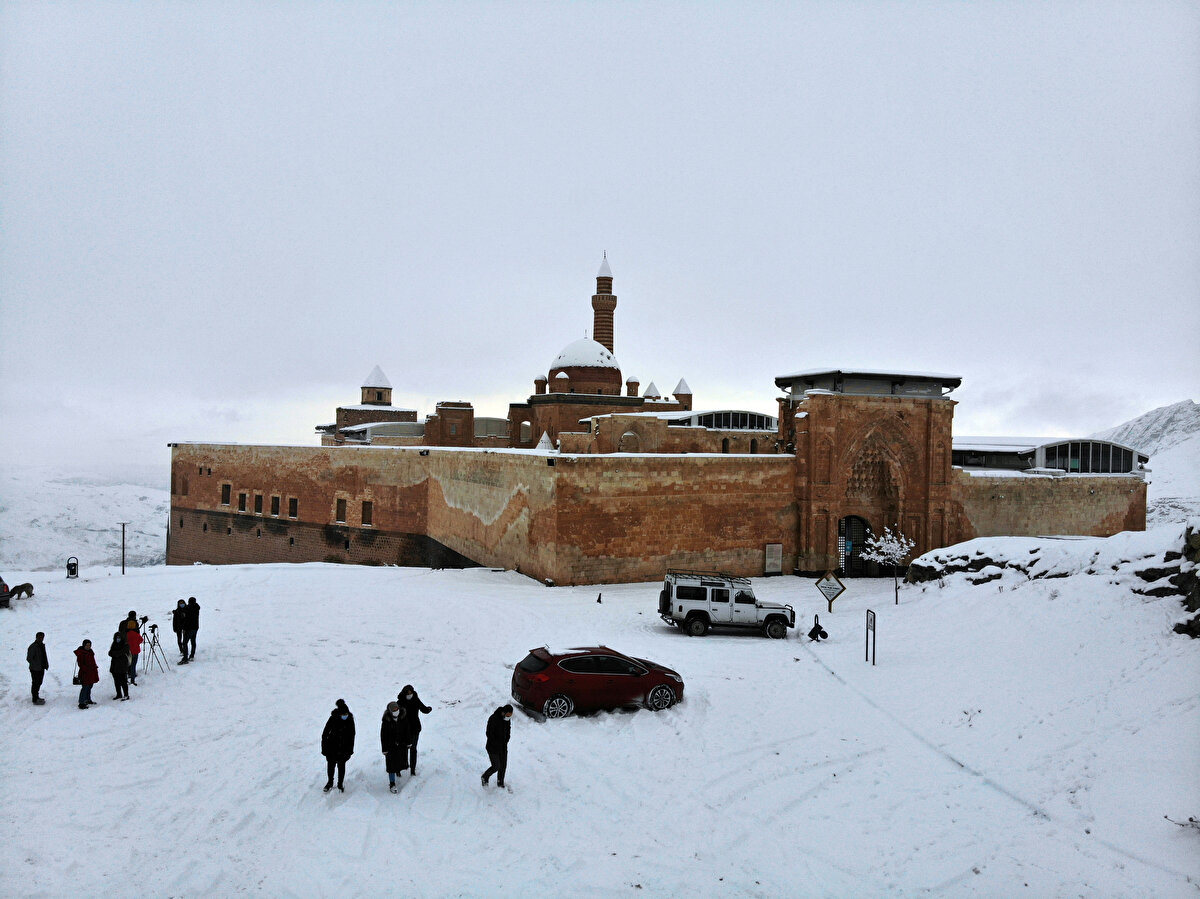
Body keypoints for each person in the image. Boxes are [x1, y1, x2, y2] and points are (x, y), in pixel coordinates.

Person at [397, 684, 433, 775]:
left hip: (415, 728)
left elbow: (423, 709)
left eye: (411, 692)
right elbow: (395, 714)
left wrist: (428, 709)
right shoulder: (400, 702)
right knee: (403, 749)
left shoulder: (416, 700)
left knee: (413, 749)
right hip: (403, 730)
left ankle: (413, 769)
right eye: (407, 692)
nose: (409, 694)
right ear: (404, 693)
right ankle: (400, 768)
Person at [321, 699, 355, 793]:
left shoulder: (350, 720)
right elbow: (325, 734)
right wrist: (324, 748)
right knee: (331, 766)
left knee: (341, 766)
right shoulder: (333, 719)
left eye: (346, 714)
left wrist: (350, 750)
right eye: (343, 715)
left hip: (344, 748)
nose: (345, 716)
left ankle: (340, 783)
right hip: (332, 747)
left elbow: (352, 736)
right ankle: (330, 782)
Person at [380, 702, 411, 793]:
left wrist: (408, 742)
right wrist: (384, 749)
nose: (395, 711)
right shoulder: (386, 721)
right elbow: (383, 735)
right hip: (390, 747)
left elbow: (407, 731)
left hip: (401, 745)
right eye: (393, 710)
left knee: (401, 761)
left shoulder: (403, 718)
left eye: (396, 709)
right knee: (391, 765)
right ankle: (392, 783)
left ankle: (398, 771)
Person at [481, 704, 513, 790]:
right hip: (493, 747)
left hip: (503, 747)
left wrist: (507, 739)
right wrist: (497, 743)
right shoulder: (493, 718)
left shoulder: (507, 719)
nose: (508, 717)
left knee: (503, 766)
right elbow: (489, 733)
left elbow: (508, 730)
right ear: (503, 712)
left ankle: (500, 783)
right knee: (496, 766)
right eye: (507, 715)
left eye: (510, 716)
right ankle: (485, 777)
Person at [74, 639, 99, 709]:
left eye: (89, 645)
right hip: (85, 673)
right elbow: (81, 664)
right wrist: (88, 669)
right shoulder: (81, 653)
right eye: (87, 645)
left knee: (90, 686)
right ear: (84, 645)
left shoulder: (90, 652)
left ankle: (87, 699)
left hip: (91, 672)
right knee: (85, 687)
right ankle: (81, 702)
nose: (88, 646)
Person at [27, 632, 49, 705]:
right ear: (36, 637)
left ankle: (36, 696)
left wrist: (45, 664)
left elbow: (43, 656)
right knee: (35, 683)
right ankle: (35, 699)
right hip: (35, 669)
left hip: (41, 668)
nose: (41, 638)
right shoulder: (33, 646)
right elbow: (29, 658)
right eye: (39, 637)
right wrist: (36, 665)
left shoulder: (41, 645)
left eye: (42, 637)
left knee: (39, 682)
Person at [108, 632, 130, 701]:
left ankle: (126, 695)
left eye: (119, 638)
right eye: (117, 638)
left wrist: (115, 653)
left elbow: (119, 653)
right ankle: (119, 694)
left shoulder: (125, 645)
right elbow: (110, 653)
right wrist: (115, 653)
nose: (118, 639)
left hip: (122, 666)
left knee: (123, 681)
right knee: (116, 681)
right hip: (114, 666)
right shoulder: (114, 644)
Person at [181, 596, 200, 662]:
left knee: (184, 643)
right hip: (195, 627)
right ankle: (192, 655)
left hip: (188, 628)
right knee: (193, 641)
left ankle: (185, 658)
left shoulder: (188, 608)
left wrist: (184, 628)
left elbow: (186, 620)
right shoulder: (197, 607)